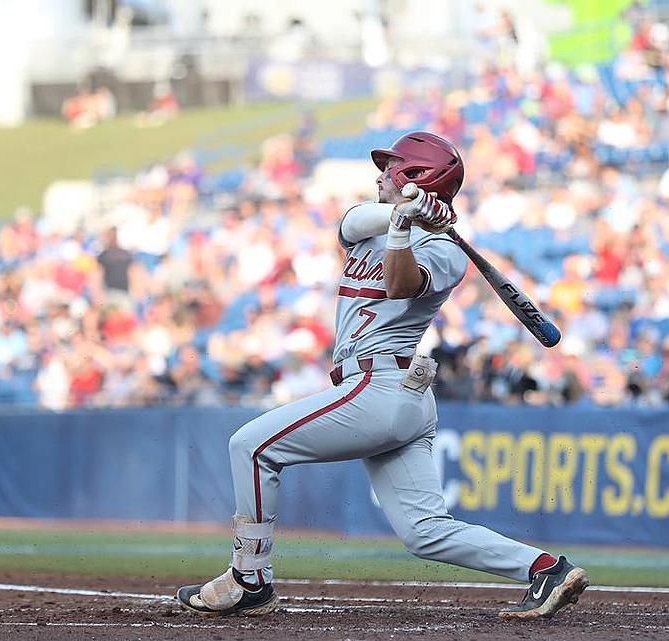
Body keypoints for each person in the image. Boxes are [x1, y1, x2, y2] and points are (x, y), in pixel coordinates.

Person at [176, 131, 589, 620]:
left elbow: (399, 285)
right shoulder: (370, 221)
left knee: (251, 446)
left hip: (381, 386)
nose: (380, 175)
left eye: (392, 168)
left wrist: (409, 227)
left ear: (415, 176)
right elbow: (350, 223)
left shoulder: (448, 251)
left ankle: (250, 578)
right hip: (391, 394)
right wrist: (404, 213)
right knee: (425, 531)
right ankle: (545, 569)